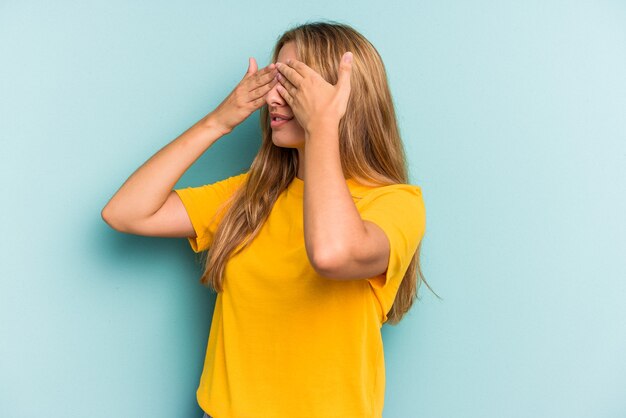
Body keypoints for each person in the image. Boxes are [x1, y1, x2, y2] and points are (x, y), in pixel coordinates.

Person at [102, 20, 437, 418]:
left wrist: (322, 127)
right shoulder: (251, 196)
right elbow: (125, 213)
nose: (272, 98)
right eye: (273, 80)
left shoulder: (395, 203)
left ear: (342, 99)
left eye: (293, 84)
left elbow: (332, 254)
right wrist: (217, 122)